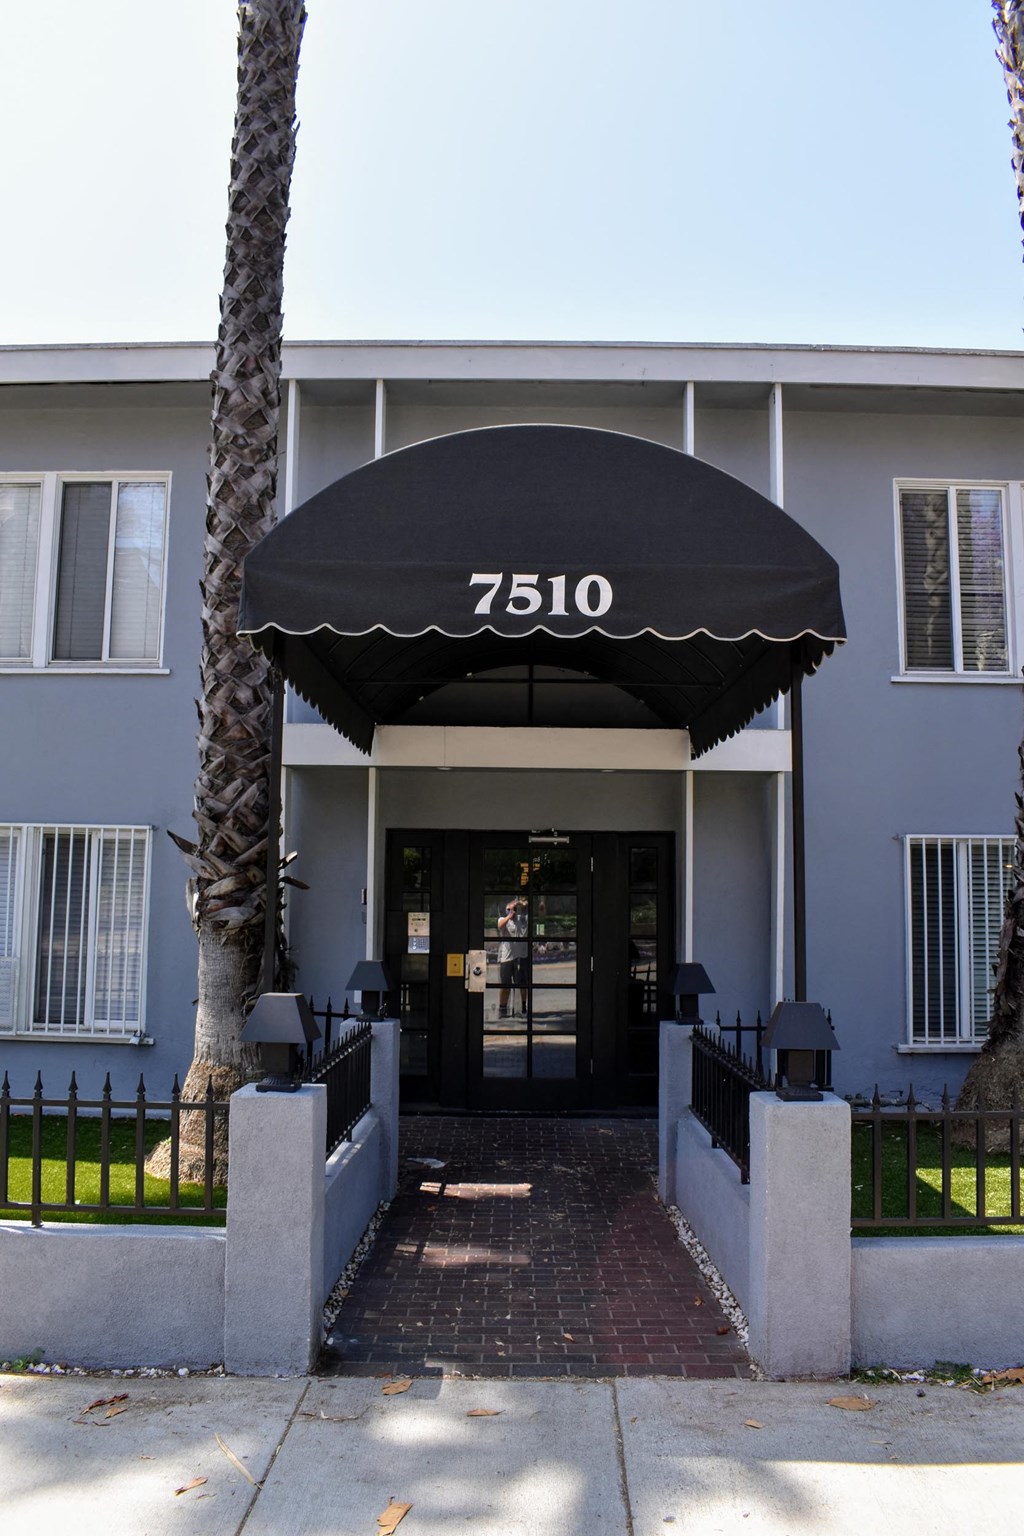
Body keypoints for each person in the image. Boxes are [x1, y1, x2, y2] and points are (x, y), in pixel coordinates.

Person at [496, 896, 528, 1017]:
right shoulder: (502, 919)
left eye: (514, 909)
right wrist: (509, 915)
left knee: (522, 983)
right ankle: (502, 1008)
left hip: (521, 956)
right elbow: (500, 926)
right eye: (510, 909)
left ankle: (522, 1007)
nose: (513, 911)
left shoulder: (521, 919)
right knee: (505, 985)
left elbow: (527, 909)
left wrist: (520, 903)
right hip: (507, 957)